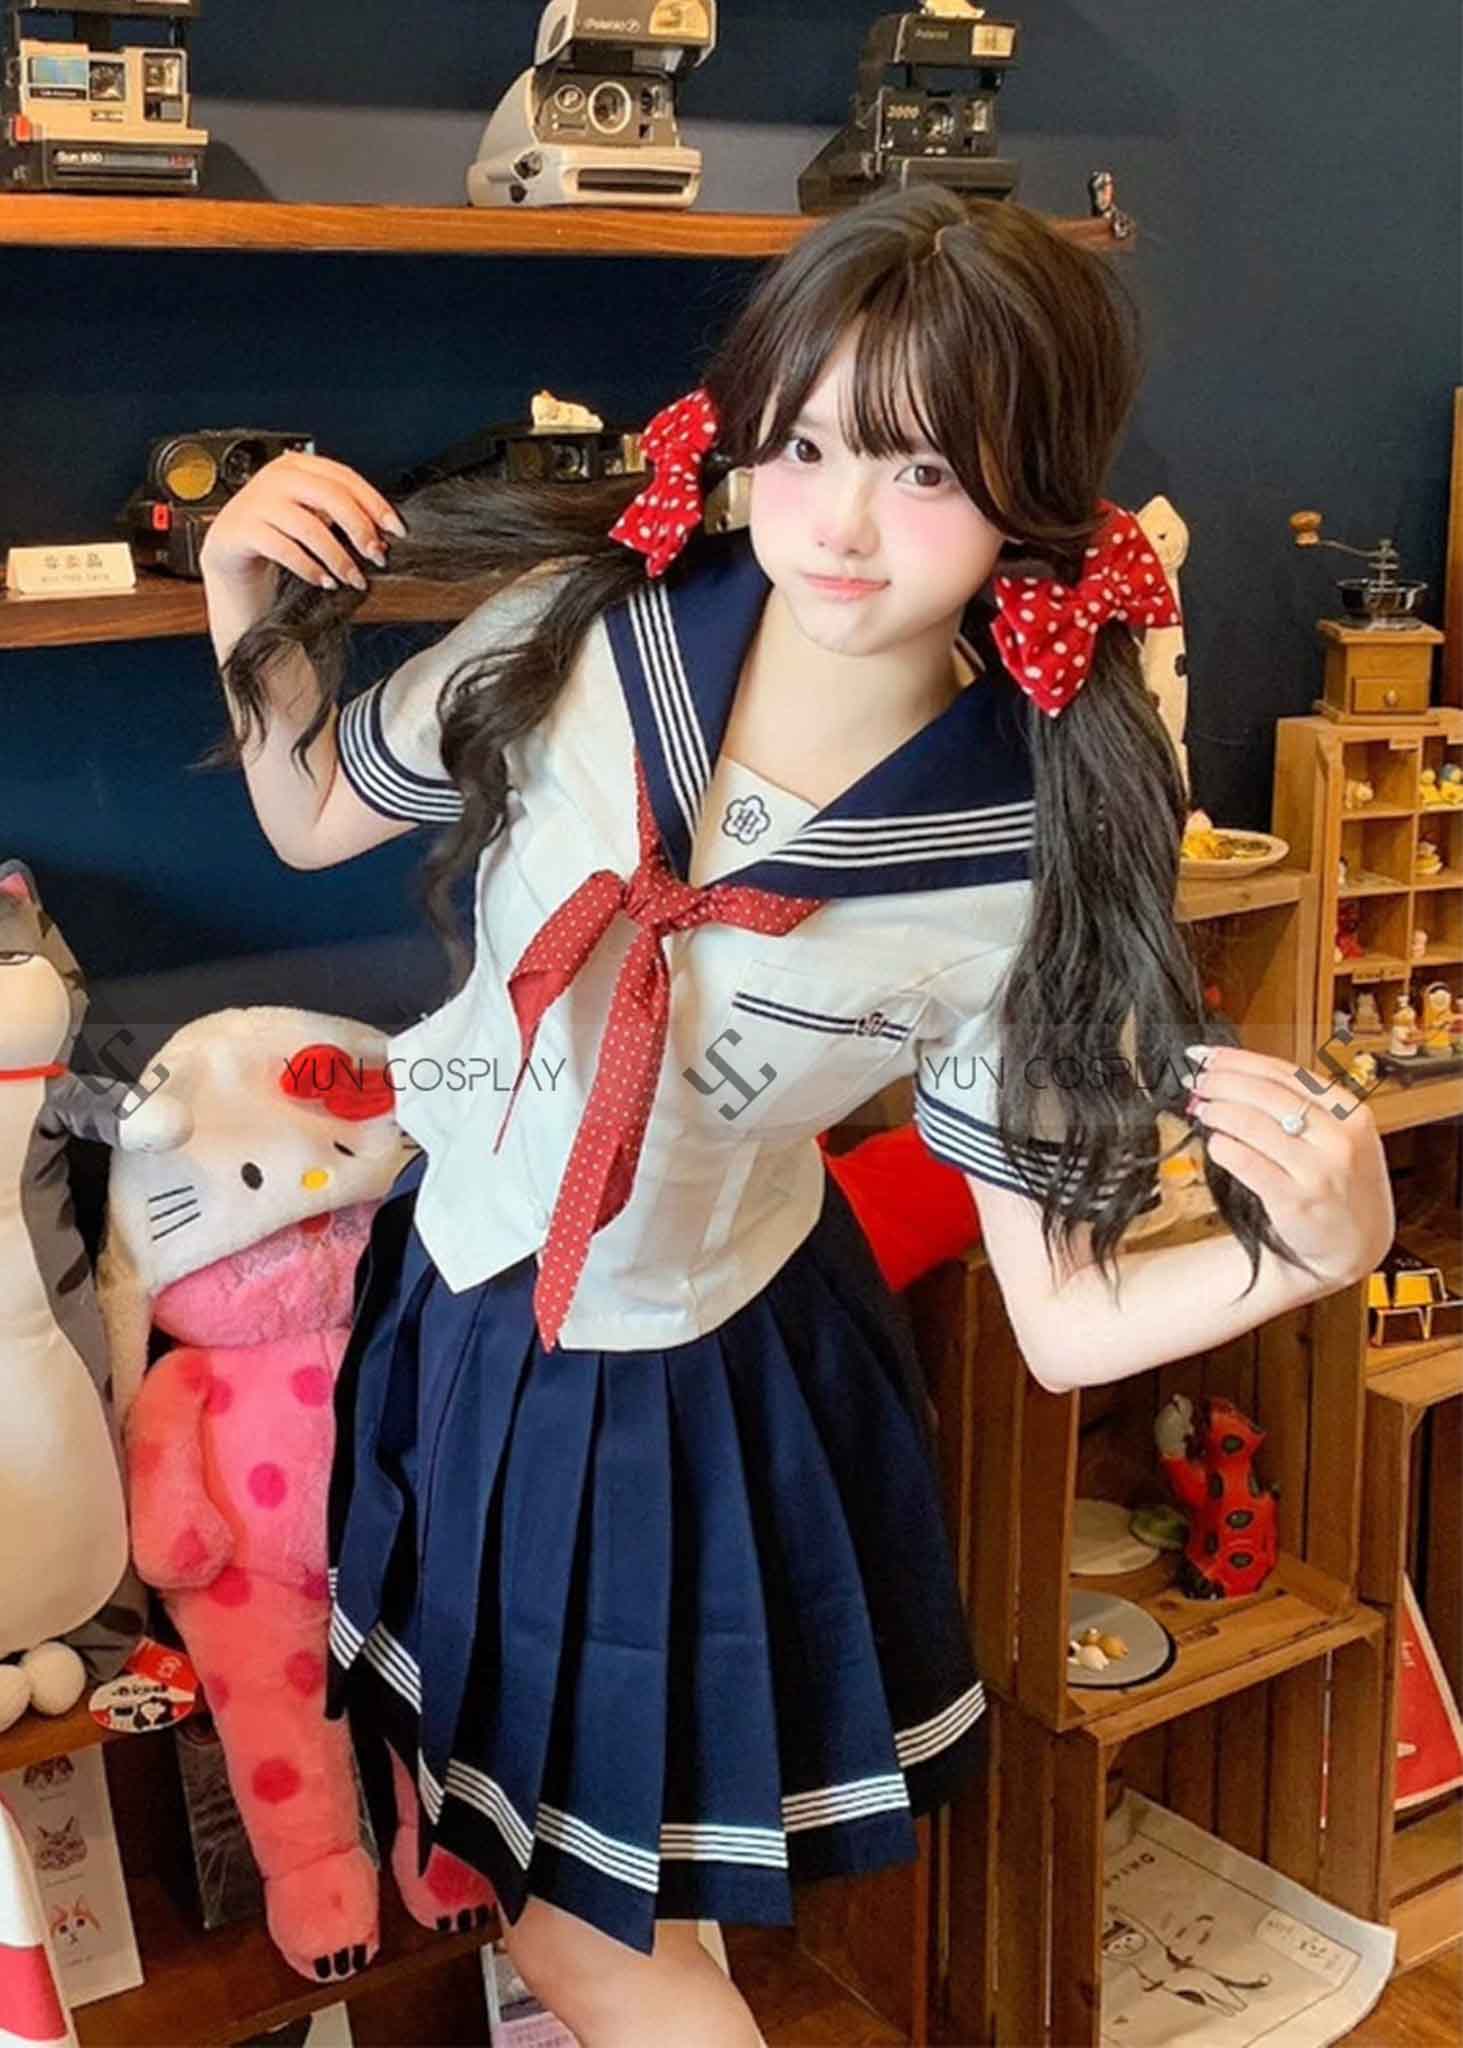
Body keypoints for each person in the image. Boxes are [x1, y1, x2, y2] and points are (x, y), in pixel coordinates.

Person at [197, 186, 1393, 2046]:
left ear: (1033, 500)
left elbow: (1066, 1319)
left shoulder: (1023, 857)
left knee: (589, 1933)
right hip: (461, 1300)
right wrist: (242, 597)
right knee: (543, 1865)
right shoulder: (585, 628)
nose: (838, 522)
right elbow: (306, 816)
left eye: (925, 471)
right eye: (807, 443)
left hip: (678, 1384)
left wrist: (1324, 1252)